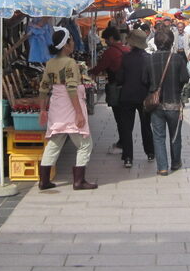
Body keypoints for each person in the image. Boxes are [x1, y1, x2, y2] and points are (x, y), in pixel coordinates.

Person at [37, 27, 97, 190]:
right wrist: (78, 113)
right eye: (71, 40)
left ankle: (43, 181)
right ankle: (79, 181)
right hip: (70, 107)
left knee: (55, 143)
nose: (73, 42)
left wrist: (43, 110)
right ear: (66, 45)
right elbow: (71, 89)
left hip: (56, 108)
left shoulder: (50, 63)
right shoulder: (70, 63)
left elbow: (43, 88)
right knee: (85, 144)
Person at [148, 29, 189, 175]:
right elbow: (185, 78)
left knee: (158, 136)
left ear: (157, 43)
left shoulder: (150, 59)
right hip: (174, 102)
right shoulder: (177, 59)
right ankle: (176, 162)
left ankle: (163, 167)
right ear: (171, 42)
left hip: (156, 104)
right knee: (175, 135)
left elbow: (143, 80)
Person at [115, 28, 154, 168]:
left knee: (127, 127)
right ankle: (150, 152)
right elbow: (151, 79)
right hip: (144, 96)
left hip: (127, 96)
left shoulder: (125, 58)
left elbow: (120, 78)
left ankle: (128, 157)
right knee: (146, 126)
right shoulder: (149, 59)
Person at [89, 27, 129, 155]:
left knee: (119, 118)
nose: (106, 42)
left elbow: (100, 67)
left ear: (111, 38)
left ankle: (123, 143)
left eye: (106, 39)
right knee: (126, 118)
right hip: (128, 88)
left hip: (116, 88)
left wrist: (90, 72)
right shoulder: (127, 49)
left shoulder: (110, 52)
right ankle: (124, 142)